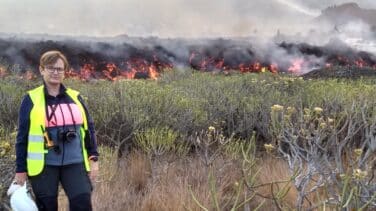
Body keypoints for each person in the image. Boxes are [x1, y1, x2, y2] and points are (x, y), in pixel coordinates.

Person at [13, 50, 99, 211]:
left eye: (59, 69)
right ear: (41, 69)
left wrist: (93, 159)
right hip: (44, 167)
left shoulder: (75, 97)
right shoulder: (30, 99)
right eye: (51, 68)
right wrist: (21, 170)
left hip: (75, 163)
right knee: (47, 207)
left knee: (82, 203)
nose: (55, 72)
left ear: (64, 72)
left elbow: (89, 129)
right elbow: (22, 137)